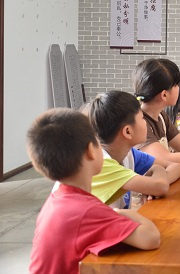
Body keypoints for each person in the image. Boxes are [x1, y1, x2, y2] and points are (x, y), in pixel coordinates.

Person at [28, 109, 160, 273]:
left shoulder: (58, 199)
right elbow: (150, 238)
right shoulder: (85, 210)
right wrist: (121, 213)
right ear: (91, 151)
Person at [87, 91, 180, 209]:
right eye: (142, 118)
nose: (145, 123)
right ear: (127, 131)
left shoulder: (129, 153)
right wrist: (157, 170)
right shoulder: (102, 164)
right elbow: (160, 186)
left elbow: (176, 167)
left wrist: (151, 186)